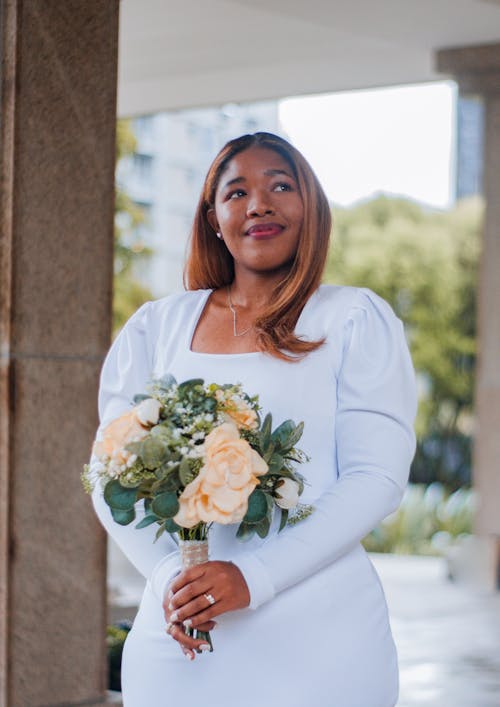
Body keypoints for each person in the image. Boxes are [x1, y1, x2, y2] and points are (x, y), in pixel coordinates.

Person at [89, 132, 417, 706]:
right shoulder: (155, 327)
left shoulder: (354, 319)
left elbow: (375, 479)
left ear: (309, 207)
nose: (258, 204)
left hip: (321, 641)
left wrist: (252, 578)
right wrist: (171, 579)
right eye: (236, 192)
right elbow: (109, 471)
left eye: (280, 186)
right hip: (181, 638)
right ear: (214, 218)